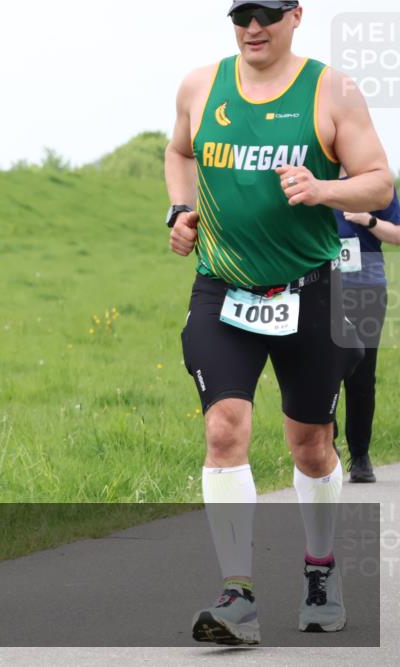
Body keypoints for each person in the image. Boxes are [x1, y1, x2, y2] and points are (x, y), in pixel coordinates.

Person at [164, 0, 393, 645]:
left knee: (311, 445)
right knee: (224, 427)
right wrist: (180, 211)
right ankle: (238, 595)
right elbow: (179, 152)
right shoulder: (200, 86)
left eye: (267, 13)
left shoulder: (332, 90)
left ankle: (320, 569)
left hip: (312, 290)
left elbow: (378, 183)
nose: (253, 28)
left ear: (296, 15)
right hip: (223, 288)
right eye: (241, 15)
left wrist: (324, 191)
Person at [334, 185, 400, 483]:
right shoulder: (314, 174)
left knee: (362, 375)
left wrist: (367, 220)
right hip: (322, 287)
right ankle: (325, 447)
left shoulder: (377, 184)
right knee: (321, 371)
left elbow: (397, 235)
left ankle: (360, 455)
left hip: (367, 288)